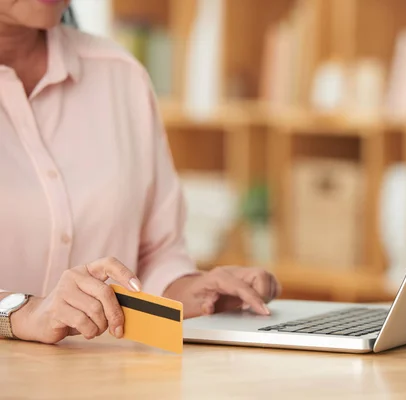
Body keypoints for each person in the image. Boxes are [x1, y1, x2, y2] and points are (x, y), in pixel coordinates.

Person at [0, 0, 281, 344]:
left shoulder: (118, 74)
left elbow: (156, 255)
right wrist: (22, 313)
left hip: (108, 381)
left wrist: (196, 292)